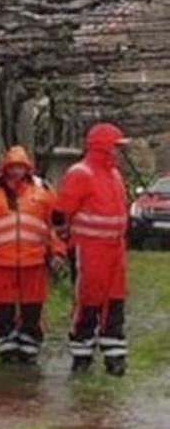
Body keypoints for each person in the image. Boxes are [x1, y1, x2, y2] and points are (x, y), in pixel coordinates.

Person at [0, 146, 66, 364]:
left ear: (27, 169)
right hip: (1, 263)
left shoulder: (44, 194)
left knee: (33, 307)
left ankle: (29, 346)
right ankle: (6, 346)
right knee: (2, 308)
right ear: (5, 168)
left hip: (35, 262)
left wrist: (58, 252)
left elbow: (54, 228)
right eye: (12, 167)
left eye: (20, 167)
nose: (16, 172)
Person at [52, 123, 131, 376]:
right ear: (103, 146)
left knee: (114, 300)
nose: (119, 152)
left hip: (114, 249)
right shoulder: (81, 173)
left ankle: (114, 355)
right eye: (116, 147)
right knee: (88, 300)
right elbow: (60, 212)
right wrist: (64, 243)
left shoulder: (114, 174)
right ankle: (82, 354)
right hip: (89, 250)